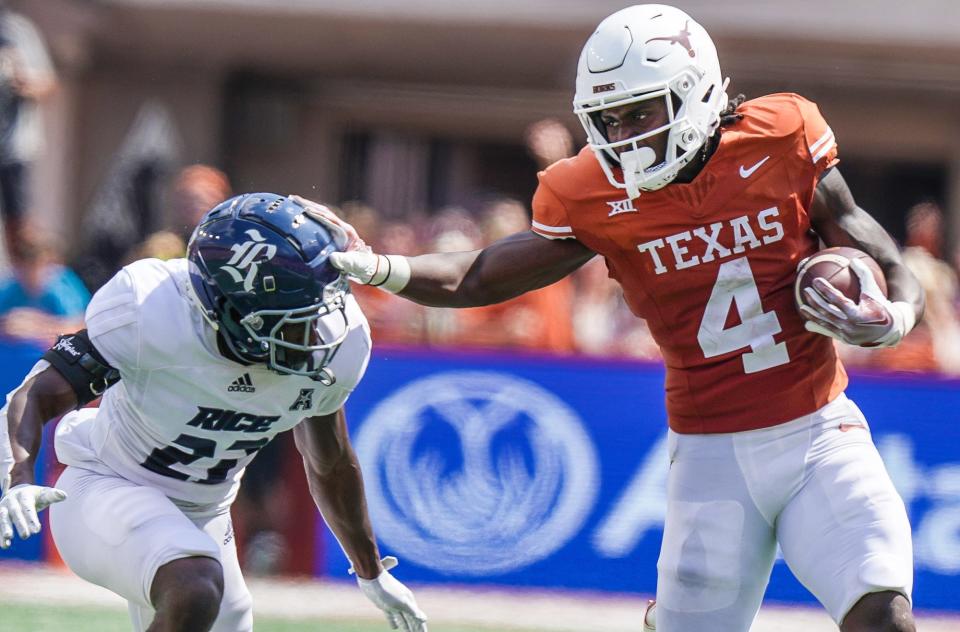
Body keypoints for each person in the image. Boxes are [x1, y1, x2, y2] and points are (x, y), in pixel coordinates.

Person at [328, 5, 924, 632]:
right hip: (710, 455)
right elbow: (479, 275)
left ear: (694, 93)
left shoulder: (781, 137)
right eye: (608, 120)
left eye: (640, 112)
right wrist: (377, 267)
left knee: (883, 616)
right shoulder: (592, 193)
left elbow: (873, 245)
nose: (624, 136)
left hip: (821, 434)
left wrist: (896, 316)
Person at [0, 193, 427, 632]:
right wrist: (17, 478)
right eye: (294, 314)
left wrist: (370, 570)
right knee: (196, 584)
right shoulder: (152, 308)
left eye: (318, 303)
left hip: (205, 515)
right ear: (232, 307)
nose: (317, 329)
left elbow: (330, 460)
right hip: (107, 487)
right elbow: (38, 393)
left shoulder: (336, 340)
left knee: (210, 597)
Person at [0, 0, 56, 256]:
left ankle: (25, 274)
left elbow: (47, 83)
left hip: (13, 148)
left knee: (19, 220)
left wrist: (24, 84)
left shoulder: (18, 31)